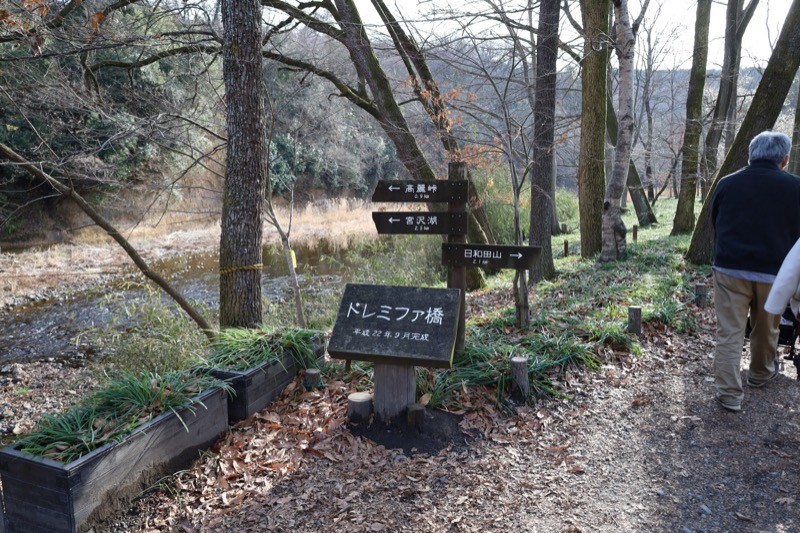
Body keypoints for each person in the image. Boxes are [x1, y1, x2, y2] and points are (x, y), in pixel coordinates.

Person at [710, 130, 800, 412]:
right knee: (767, 325)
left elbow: (716, 221)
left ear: (750, 155)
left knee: (730, 330)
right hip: (776, 271)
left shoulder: (727, 183)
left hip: (729, 268)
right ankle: (760, 374)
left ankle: (729, 395)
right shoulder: (796, 187)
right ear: (784, 160)